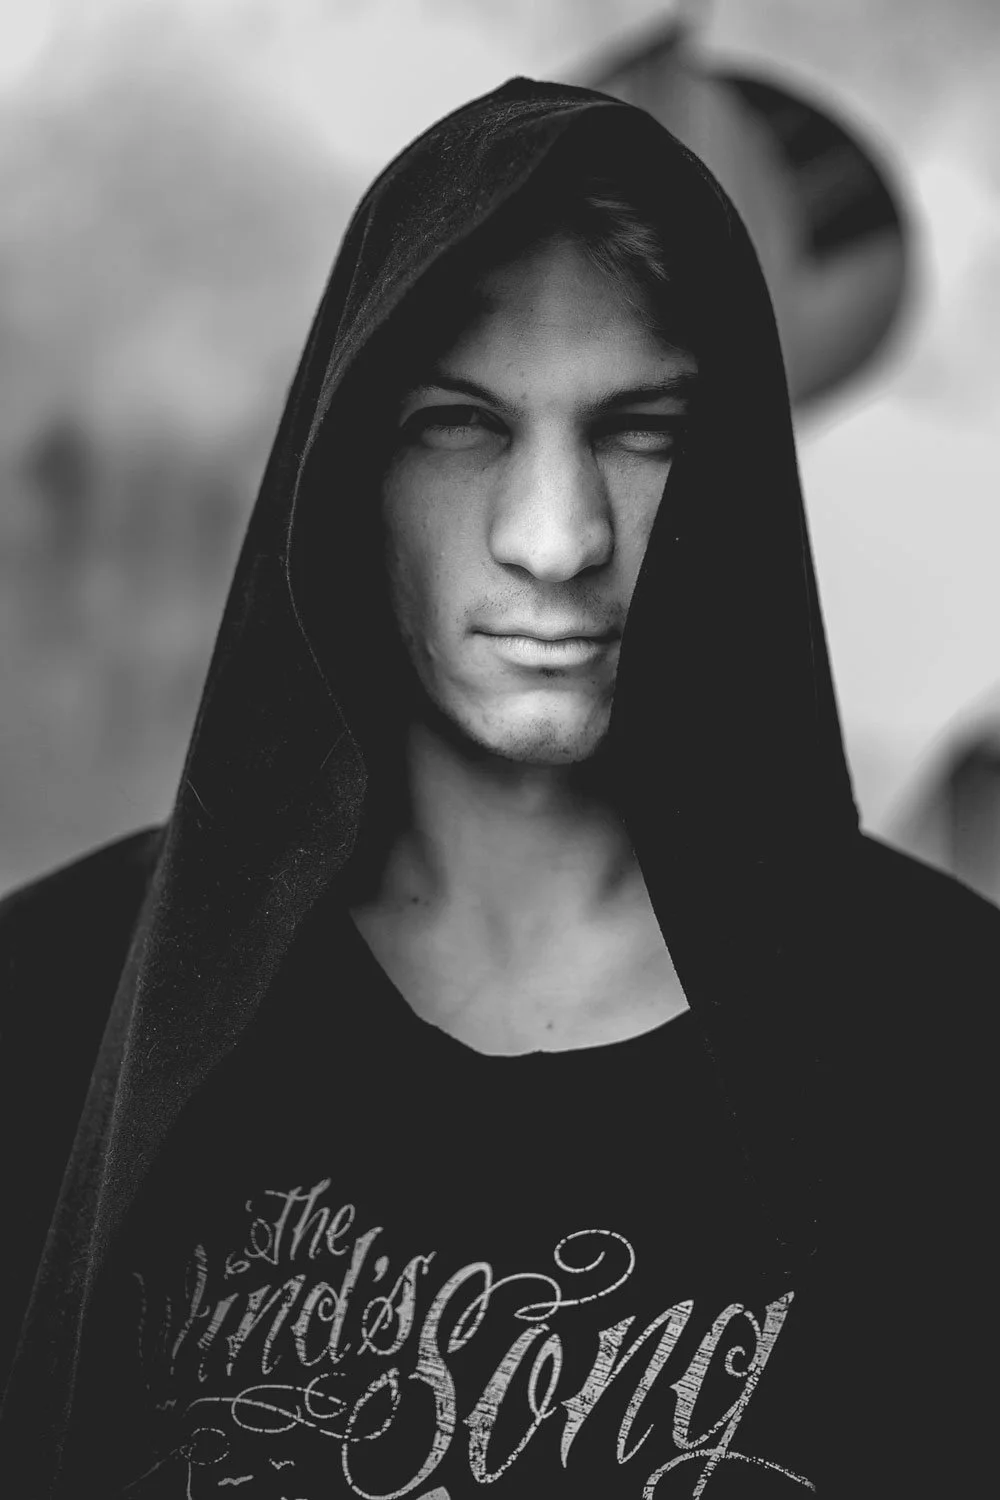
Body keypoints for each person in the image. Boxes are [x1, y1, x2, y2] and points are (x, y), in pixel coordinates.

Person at [0, 78, 995, 1499]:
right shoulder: (44, 1011)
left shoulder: (957, 1040)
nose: (556, 537)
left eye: (640, 429)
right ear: (343, 465)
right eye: (459, 424)